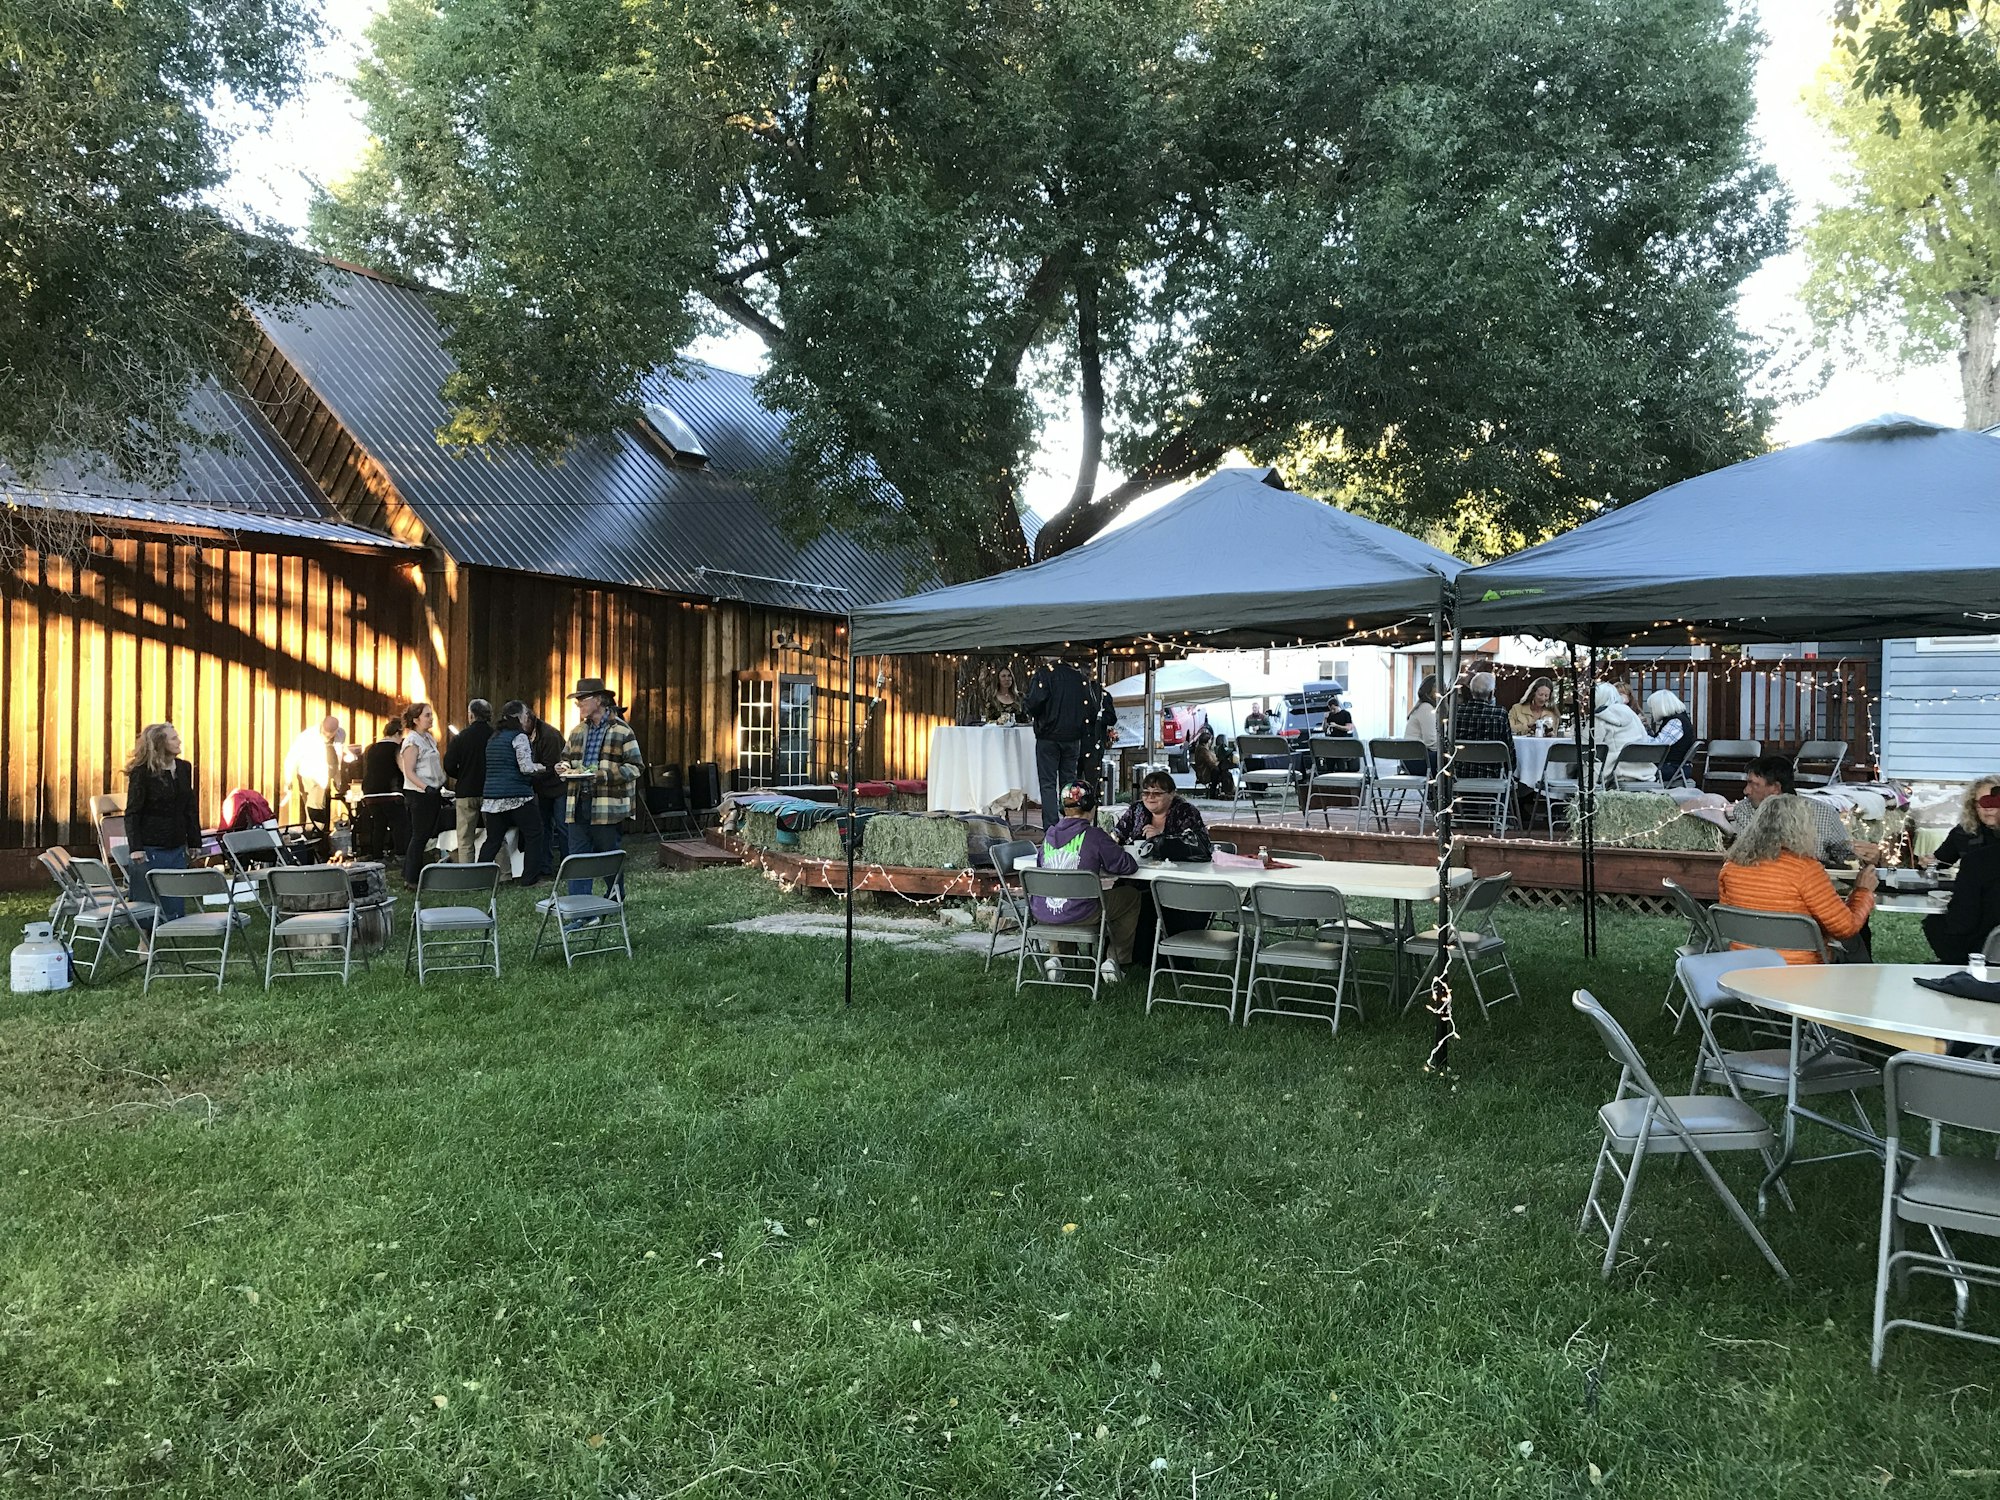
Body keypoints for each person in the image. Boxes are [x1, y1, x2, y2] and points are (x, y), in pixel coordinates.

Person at [1717, 794, 1876, 964]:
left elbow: (1728, 921)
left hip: (1743, 965)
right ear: (1802, 828)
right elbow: (1845, 928)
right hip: (1801, 971)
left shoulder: (1731, 867)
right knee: (1855, 942)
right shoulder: (1805, 869)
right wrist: (1862, 891)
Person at [1032, 781, 1140, 983]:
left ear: (1063, 808)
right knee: (1131, 897)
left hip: (1043, 912)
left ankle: (1058, 958)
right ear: (1092, 808)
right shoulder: (1095, 836)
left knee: (1061, 896)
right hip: (1082, 912)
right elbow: (1127, 867)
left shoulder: (1048, 835)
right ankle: (1114, 960)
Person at [560, 676, 644, 897]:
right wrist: (563, 766)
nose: (579, 704)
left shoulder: (623, 731)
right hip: (577, 803)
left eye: (583, 699)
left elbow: (636, 767)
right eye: (577, 700)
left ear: (599, 700)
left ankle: (615, 897)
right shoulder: (577, 731)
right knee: (577, 859)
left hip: (607, 807)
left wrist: (603, 776)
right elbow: (566, 758)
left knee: (608, 857)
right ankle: (580, 909)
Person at [1726, 754, 1875, 867]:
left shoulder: (1822, 813)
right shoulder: (1744, 810)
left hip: (1815, 883)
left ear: (1775, 788)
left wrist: (1864, 855)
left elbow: (1843, 853)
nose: (1746, 791)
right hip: (1765, 881)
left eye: (1753, 784)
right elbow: (1752, 852)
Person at [125, 722, 200, 921]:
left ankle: (170, 934)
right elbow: (133, 812)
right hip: (150, 845)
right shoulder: (142, 772)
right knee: (148, 896)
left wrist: (194, 841)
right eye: (174, 738)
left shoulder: (184, 768)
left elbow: (189, 806)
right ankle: (145, 941)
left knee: (174, 895)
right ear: (160, 743)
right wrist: (135, 847)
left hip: (176, 843)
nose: (179, 741)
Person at [1921, 776, 2000, 963]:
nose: (1988, 808)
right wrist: (1929, 862)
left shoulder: (1977, 861)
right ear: (1973, 806)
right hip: (1976, 910)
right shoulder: (1963, 833)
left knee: (1941, 925)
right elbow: (1939, 861)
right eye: (1982, 802)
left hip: (1981, 924)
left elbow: (1961, 923)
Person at [478, 700, 548, 885]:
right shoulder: (519, 737)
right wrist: (542, 767)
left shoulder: (494, 737)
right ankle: (529, 878)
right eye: (526, 716)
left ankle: (476, 879)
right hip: (517, 795)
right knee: (534, 834)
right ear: (518, 717)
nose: (527, 719)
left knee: (493, 840)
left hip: (492, 797)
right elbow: (525, 767)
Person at [1022, 656, 1088, 825]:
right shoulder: (1079, 677)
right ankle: (1070, 823)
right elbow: (1089, 706)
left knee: (1048, 784)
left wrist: (1028, 704)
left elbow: (1034, 703)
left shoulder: (1044, 675)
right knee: (1069, 784)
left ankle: (1051, 827)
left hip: (1048, 736)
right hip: (1073, 737)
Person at [1114, 769, 1215, 863]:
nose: (1150, 797)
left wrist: (1161, 839)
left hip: (1176, 874)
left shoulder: (1185, 812)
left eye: (1157, 793)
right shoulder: (1136, 809)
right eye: (1146, 793)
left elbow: (1201, 847)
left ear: (1171, 794)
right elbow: (1118, 835)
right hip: (1136, 872)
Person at [283, 714, 351, 850]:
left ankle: (317, 845)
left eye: (331, 735)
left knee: (323, 809)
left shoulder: (341, 734)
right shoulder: (307, 737)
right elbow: (291, 758)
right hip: (310, 774)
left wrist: (338, 778)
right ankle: (314, 845)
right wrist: (288, 779)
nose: (328, 737)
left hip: (327, 775)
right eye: (326, 735)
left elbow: (337, 755)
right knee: (316, 811)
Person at [397, 701, 446, 887]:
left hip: (433, 791)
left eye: (431, 714)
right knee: (419, 835)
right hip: (419, 793)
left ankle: (409, 870)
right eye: (427, 715)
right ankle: (411, 879)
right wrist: (425, 787)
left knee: (424, 835)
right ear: (416, 719)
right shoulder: (411, 741)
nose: (431, 718)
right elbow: (409, 771)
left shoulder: (429, 738)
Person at [442, 699, 495, 863]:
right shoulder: (495, 736)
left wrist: (463, 774)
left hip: (466, 791)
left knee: (465, 838)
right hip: (490, 791)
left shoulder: (461, 738)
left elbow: (449, 765)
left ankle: (467, 871)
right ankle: (503, 874)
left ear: (471, 715)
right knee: (496, 835)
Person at [527, 708, 569, 880]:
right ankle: (545, 866)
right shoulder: (526, 735)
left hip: (558, 787)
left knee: (563, 826)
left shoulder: (549, 736)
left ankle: (568, 865)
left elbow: (552, 767)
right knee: (544, 828)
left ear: (530, 720)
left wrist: (531, 772)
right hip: (542, 789)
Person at [1454, 671, 1512, 777]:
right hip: (1492, 776)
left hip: (1460, 775)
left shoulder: (1456, 713)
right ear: (1491, 694)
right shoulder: (1499, 714)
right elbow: (1509, 750)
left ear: (1472, 691)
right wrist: (1510, 770)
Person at [1592, 681, 1652, 783]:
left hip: (1613, 772)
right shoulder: (1633, 715)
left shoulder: (1600, 718)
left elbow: (1589, 744)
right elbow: (1645, 739)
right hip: (1643, 771)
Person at [1077, 675, 1119, 801]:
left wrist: (1099, 717)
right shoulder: (1076, 696)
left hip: (1094, 742)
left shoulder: (1103, 696)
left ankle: (1092, 803)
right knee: (1075, 779)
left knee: (1092, 778)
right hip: (1077, 742)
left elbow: (1112, 718)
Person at [1643, 690, 1696, 782]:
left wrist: (1639, 731)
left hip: (1671, 768)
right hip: (1676, 767)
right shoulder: (1680, 719)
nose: (1652, 712)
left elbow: (1658, 746)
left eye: (1653, 708)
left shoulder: (1675, 722)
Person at [1403, 675, 1441, 775]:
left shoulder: (1422, 707)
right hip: (1417, 760)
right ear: (1432, 690)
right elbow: (1431, 742)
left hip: (1412, 757)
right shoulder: (1426, 708)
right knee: (1449, 759)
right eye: (1442, 686)